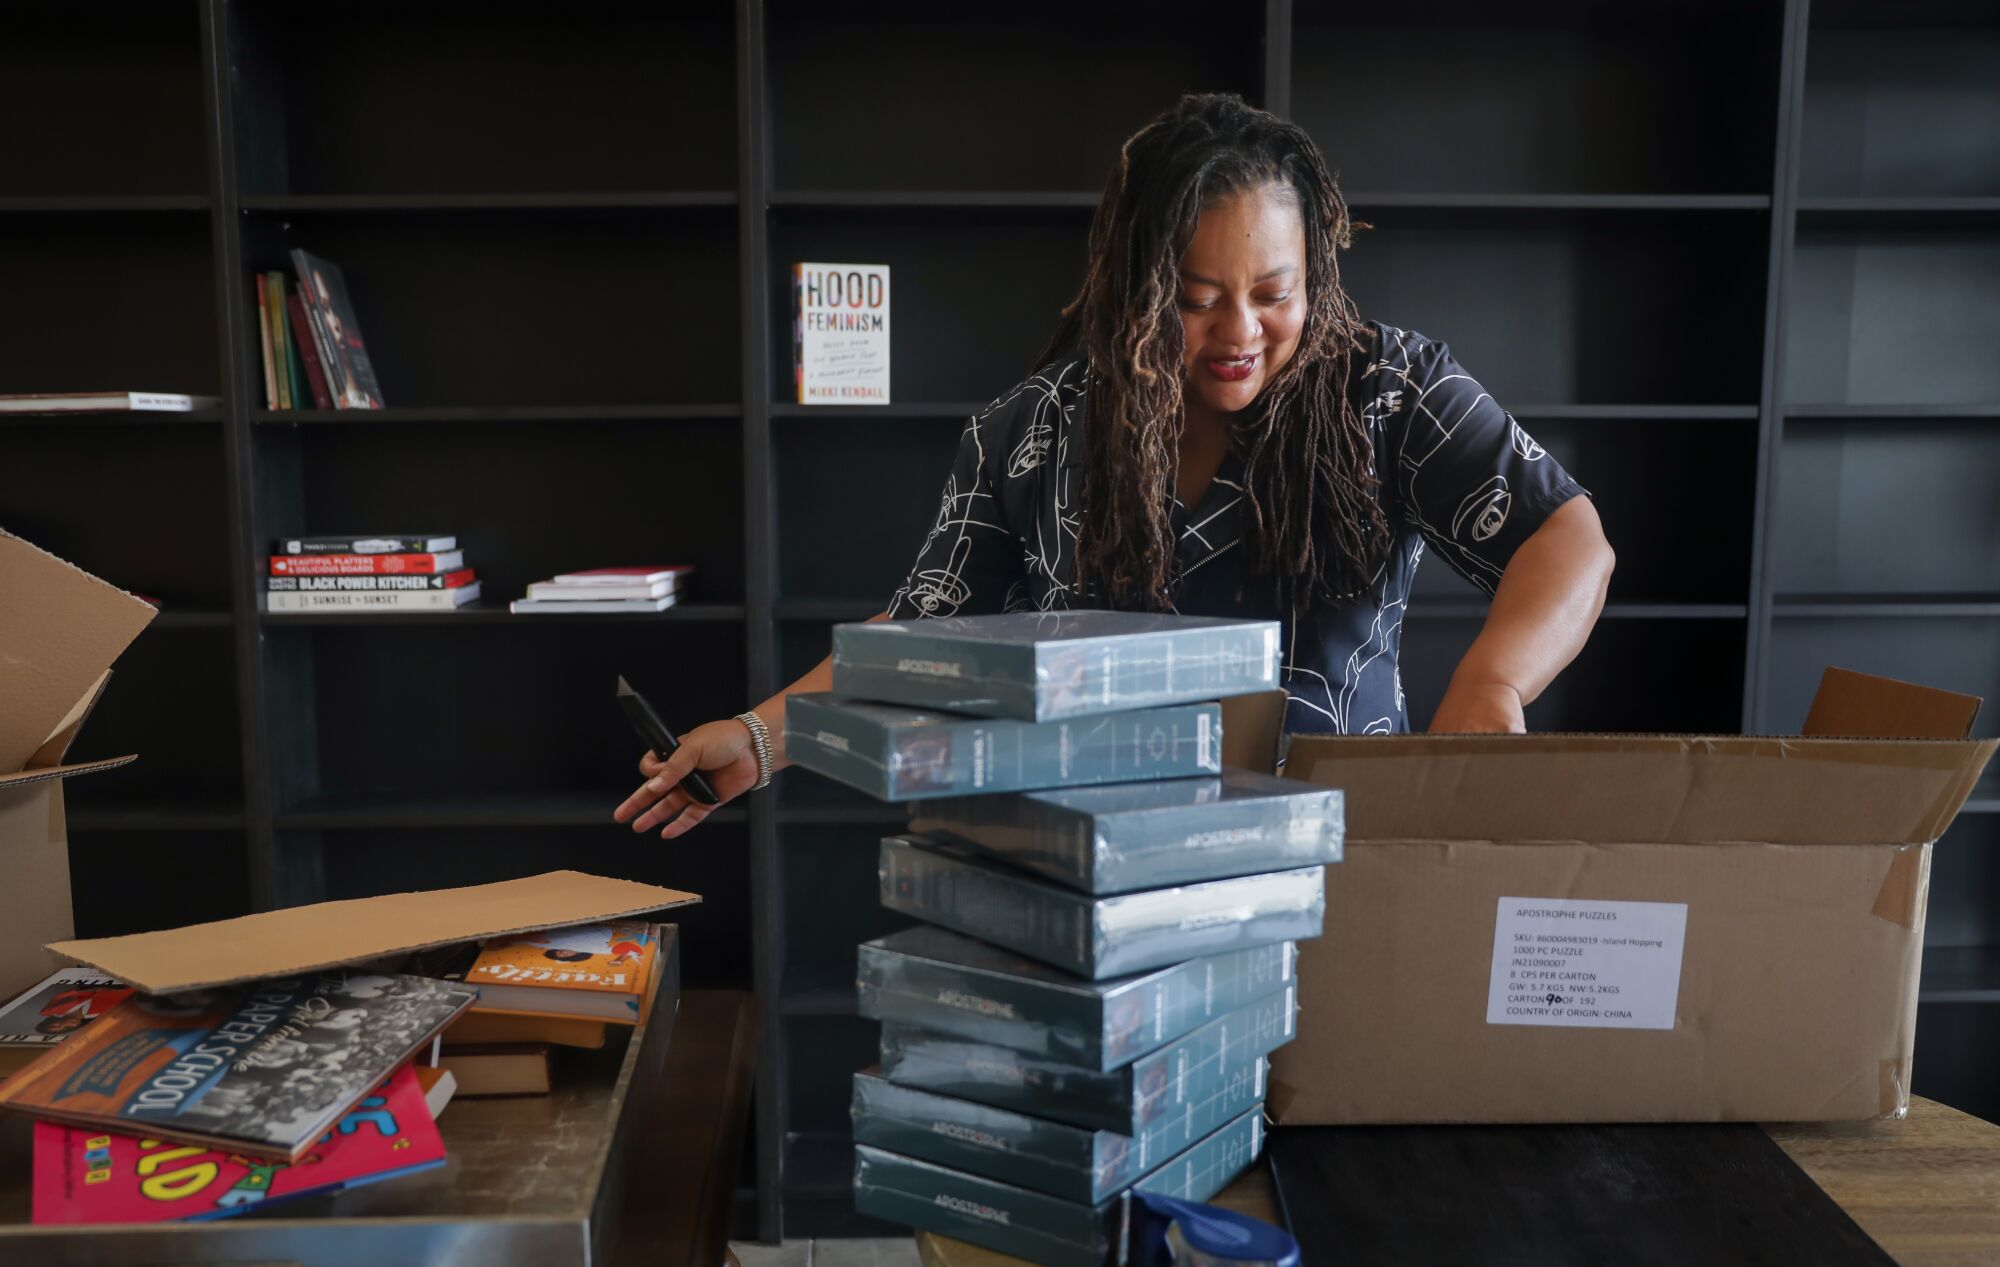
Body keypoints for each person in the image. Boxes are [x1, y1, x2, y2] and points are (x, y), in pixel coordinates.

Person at [614, 93, 1614, 842]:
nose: (1237, 333)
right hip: (1104, 883)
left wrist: (1491, 683)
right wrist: (760, 735)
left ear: (1316, 272)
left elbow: (1565, 537)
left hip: (1344, 866)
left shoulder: (1386, 388)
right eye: (1192, 298)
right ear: (1133, 285)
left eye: (1273, 292)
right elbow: (920, 628)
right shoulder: (1030, 430)